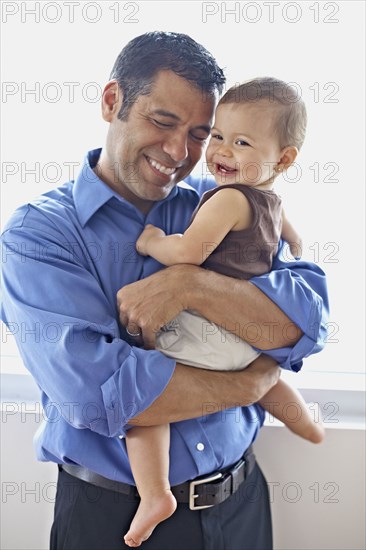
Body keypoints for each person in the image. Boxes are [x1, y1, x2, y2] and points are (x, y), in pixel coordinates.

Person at [0, 32, 328, 550]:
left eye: (201, 133)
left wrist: (189, 283)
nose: (181, 152)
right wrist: (250, 385)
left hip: (242, 502)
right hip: (113, 520)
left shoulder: (222, 202)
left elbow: (306, 322)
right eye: (163, 121)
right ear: (112, 103)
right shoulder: (39, 235)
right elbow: (99, 396)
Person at [123, 77, 325, 546]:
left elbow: (190, 253)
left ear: (284, 157)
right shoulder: (269, 200)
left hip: (208, 333)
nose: (222, 151)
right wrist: (293, 238)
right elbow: (284, 228)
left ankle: (154, 494)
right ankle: (306, 425)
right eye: (217, 135)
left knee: (143, 401)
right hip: (245, 340)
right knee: (268, 378)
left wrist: (154, 241)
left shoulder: (228, 198)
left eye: (241, 142)